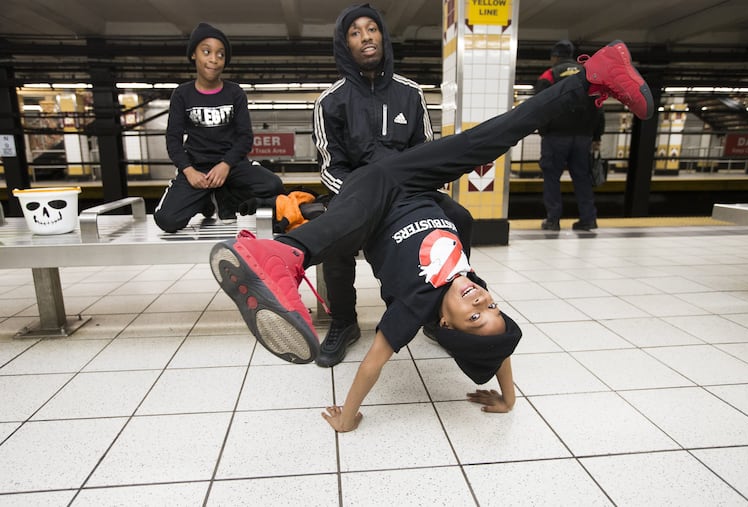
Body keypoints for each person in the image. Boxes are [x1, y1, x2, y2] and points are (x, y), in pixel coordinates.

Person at [209, 40, 653, 432]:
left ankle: (280, 254)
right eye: (492, 306)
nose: (482, 301)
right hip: (416, 181)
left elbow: (373, 365)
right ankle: (593, 77)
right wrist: (509, 396)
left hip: (376, 200)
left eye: (474, 316)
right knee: (491, 139)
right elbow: (499, 347)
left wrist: (348, 415)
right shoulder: (471, 285)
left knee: (347, 223)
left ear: (443, 324)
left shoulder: (413, 306)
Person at [312, 3, 475, 367]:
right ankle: (344, 321)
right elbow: (329, 166)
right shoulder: (330, 101)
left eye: (372, 29)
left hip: (411, 192)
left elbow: (427, 155)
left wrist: (408, 193)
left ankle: (437, 312)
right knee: (333, 238)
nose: (365, 37)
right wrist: (363, 200)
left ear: (383, 36)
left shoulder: (410, 93)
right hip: (356, 196)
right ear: (345, 44)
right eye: (355, 32)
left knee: (459, 218)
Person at [154, 22, 285, 233]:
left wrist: (225, 165)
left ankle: (226, 198)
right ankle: (207, 200)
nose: (214, 59)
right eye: (206, 52)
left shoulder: (235, 93)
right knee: (166, 220)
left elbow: (245, 137)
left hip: (232, 166)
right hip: (197, 168)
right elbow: (173, 139)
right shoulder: (182, 94)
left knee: (272, 185)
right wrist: (188, 171)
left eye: (220, 54)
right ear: (194, 55)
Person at [536, 40, 606, 232]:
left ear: (554, 57)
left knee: (551, 177)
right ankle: (588, 219)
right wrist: (596, 136)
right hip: (583, 137)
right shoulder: (588, 76)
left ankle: (553, 220)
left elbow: (540, 106)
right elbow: (599, 108)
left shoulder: (549, 75)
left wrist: (544, 131)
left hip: (555, 137)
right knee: (582, 177)